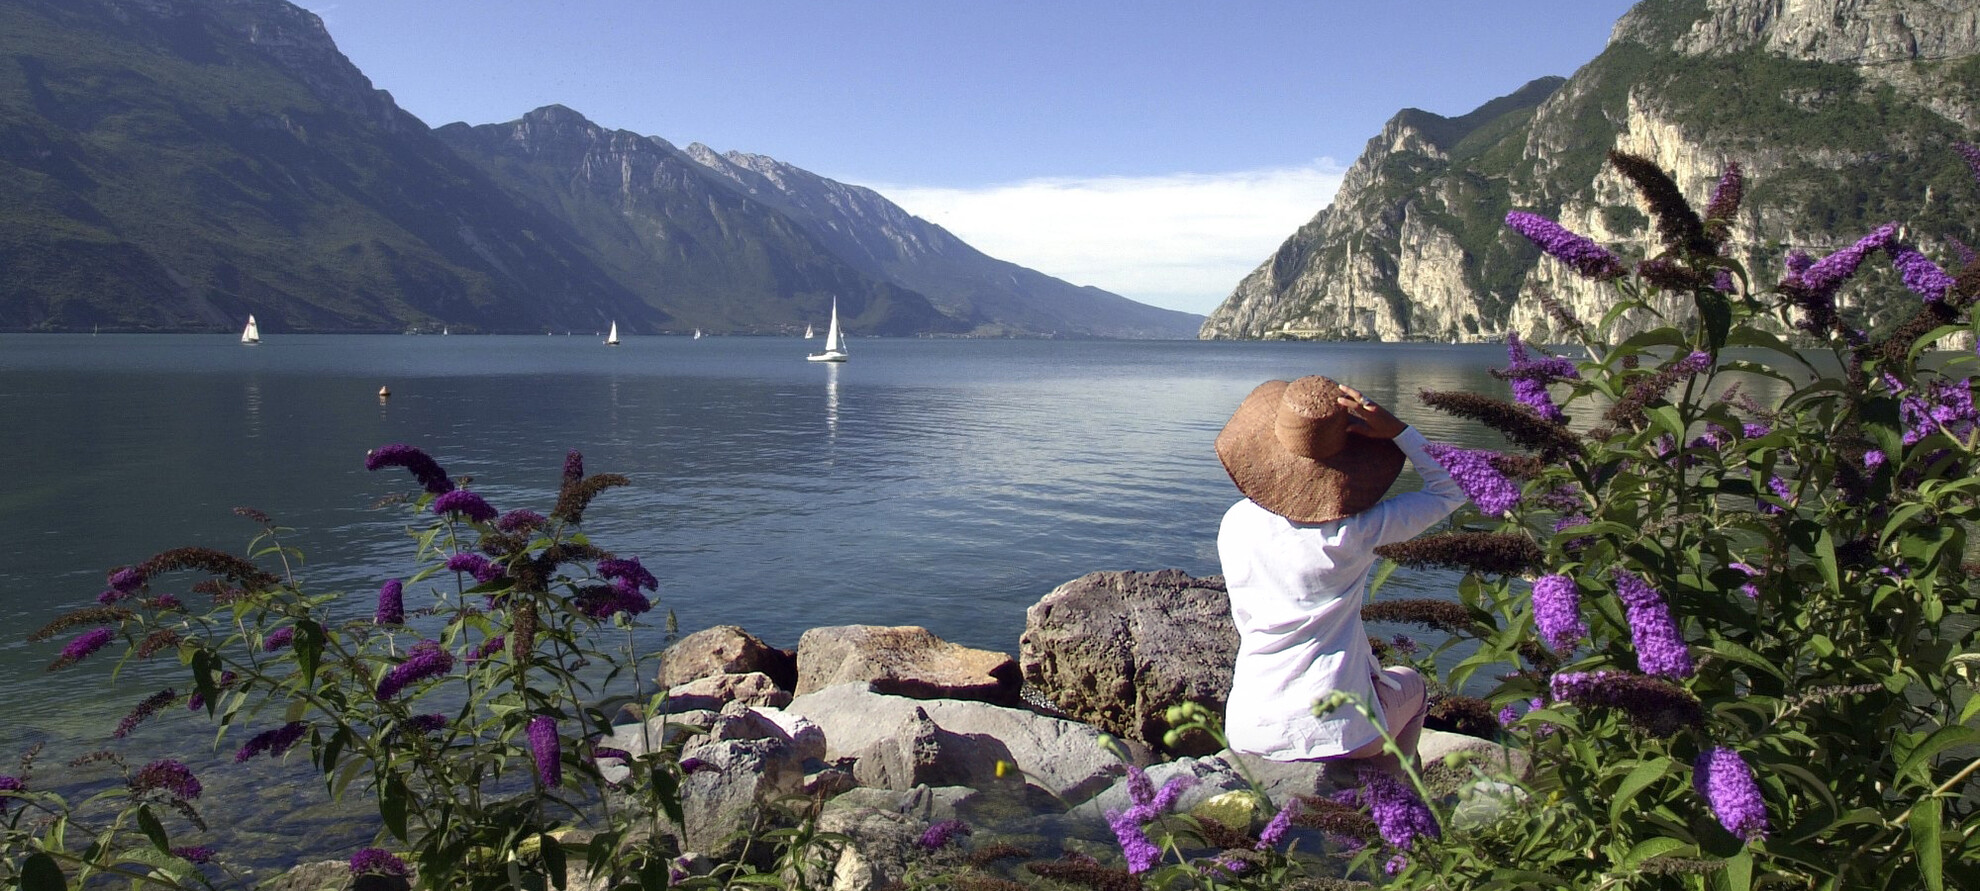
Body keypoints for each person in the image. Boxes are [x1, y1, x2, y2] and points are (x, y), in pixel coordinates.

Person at [1214, 375, 1464, 776]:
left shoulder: (1235, 523)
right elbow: (1455, 485)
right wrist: (1398, 430)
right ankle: (1396, 803)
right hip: (1341, 734)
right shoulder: (1355, 532)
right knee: (1412, 687)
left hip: (1249, 726)